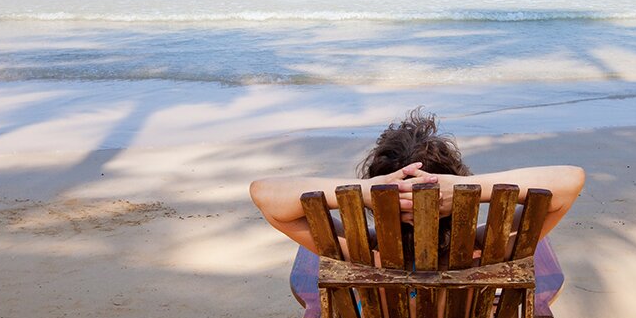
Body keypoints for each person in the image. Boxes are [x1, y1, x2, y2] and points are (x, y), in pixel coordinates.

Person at [249, 109, 584, 260]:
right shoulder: (487, 251)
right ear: (456, 178)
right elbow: (570, 180)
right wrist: (471, 190)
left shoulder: (360, 254)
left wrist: (366, 193)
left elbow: (265, 193)